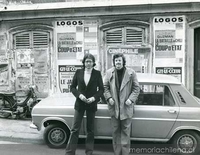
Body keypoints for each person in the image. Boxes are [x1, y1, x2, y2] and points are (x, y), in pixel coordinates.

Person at [65, 53, 104, 155]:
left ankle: (89, 152)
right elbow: (72, 87)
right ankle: (70, 152)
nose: (88, 63)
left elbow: (101, 90)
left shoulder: (97, 73)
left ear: (93, 63)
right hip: (80, 104)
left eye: (90, 61)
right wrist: (79, 95)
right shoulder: (78, 72)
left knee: (90, 130)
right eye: (86, 61)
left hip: (91, 104)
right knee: (74, 129)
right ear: (83, 62)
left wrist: (93, 98)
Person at [103, 53, 140, 155]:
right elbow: (105, 88)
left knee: (125, 132)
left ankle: (125, 153)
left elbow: (136, 88)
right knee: (115, 132)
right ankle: (117, 153)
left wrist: (131, 99)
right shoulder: (109, 73)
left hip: (126, 107)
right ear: (114, 62)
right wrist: (109, 97)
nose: (118, 62)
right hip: (114, 108)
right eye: (116, 61)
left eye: (119, 60)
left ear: (123, 62)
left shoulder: (131, 73)